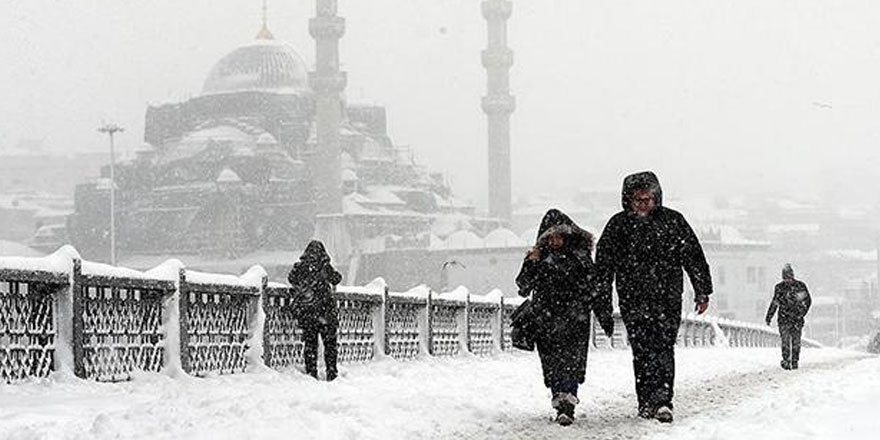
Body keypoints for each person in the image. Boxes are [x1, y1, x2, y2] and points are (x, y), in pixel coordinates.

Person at [595, 171, 713, 423]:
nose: (643, 204)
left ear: (656, 198)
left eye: (648, 199)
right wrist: (602, 301)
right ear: (629, 200)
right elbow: (603, 268)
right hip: (633, 298)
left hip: (666, 297)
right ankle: (646, 401)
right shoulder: (618, 226)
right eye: (638, 200)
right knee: (642, 350)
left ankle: (662, 400)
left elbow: (693, 256)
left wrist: (702, 289)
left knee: (663, 347)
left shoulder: (672, 221)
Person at [516, 209, 615, 426]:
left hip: (574, 320)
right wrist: (531, 262)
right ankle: (560, 399)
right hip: (547, 320)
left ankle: (567, 403)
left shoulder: (580, 258)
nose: (555, 240)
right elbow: (523, 287)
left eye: (559, 235)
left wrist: (604, 316)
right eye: (550, 236)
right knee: (552, 363)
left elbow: (595, 289)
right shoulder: (539, 258)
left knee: (571, 362)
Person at [288, 240, 343, 381]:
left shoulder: (301, 267)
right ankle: (332, 372)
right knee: (330, 345)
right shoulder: (325, 267)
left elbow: (291, 279)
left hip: (308, 313)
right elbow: (337, 279)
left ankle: (311, 373)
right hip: (326, 312)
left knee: (310, 345)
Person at [765, 263, 812, 370]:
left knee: (795, 341)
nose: (787, 280)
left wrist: (801, 313)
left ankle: (794, 361)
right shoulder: (784, 287)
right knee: (786, 341)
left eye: (788, 277)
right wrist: (769, 316)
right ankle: (787, 360)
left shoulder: (797, 286)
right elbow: (775, 303)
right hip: (788, 319)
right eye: (785, 278)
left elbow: (807, 301)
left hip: (793, 318)